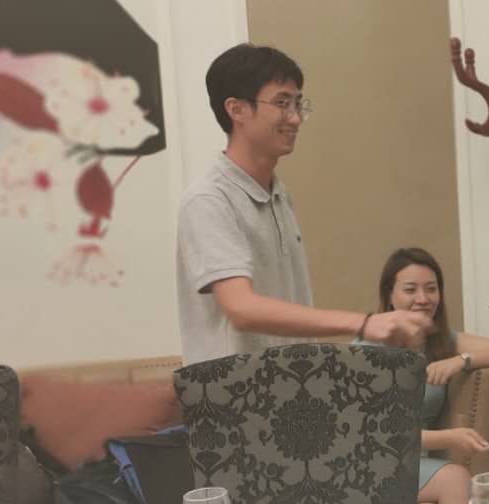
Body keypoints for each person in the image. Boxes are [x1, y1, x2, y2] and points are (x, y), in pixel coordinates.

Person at [176, 44, 429, 365]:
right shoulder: (209, 199)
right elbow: (240, 308)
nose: (295, 118)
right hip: (232, 392)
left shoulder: (279, 194)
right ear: (236, 110)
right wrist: (363, 323)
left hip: (292, 385)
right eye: (282, 103)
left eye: (298, 104)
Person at [370, 247, 489, 504]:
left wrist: (461, 361)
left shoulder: (441, 340)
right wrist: (450, 438)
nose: (423, 298)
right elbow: (378, 433)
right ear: (389, 295)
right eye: (410, 290)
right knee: (455, 479)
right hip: (373, 462)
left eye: (431, 289)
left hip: (417, 465)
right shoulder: (369, 348)